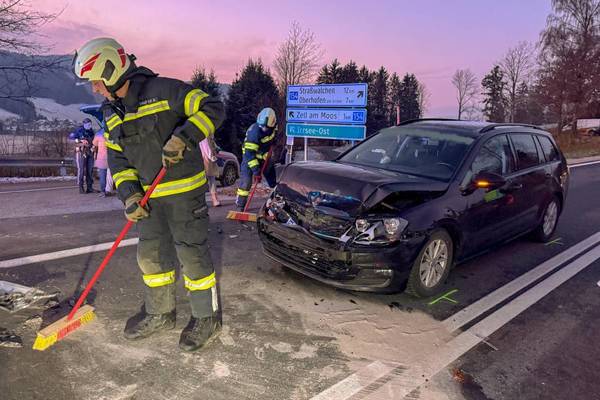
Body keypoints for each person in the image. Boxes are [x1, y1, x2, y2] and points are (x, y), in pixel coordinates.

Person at [73, 37, 225, 352]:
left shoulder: (166, 91)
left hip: (184, 194)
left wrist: (185, 137)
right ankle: (160, 313)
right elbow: (118, 159)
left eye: (96, 81)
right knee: (151, 257)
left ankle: (207, 318)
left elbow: (213, 107)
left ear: (112, 71)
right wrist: (130, 196)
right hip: (148, 199)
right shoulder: (111, 112)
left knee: (192, 256)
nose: (95, 89)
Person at [235, 108, 278, 211]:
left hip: (264, 157)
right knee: (246, 182)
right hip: (249, 158)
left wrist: (273, 145)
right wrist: (256, 171)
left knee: (273, 180)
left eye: (266, 127)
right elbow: (249, 154)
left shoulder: (274, 126)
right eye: (261, 126)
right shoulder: (254, 132)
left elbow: (271, 138)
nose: (263, 128)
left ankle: (275, 199)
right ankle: (240, 205)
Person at [69, 118, 95, 193]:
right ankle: (81, 187)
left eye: (90, 124)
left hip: (90, 152)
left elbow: (93, 140)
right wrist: (80, 141)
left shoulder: (91, 131)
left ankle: (89, 187)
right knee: (81, 170)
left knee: (90, 170)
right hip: (81, 152)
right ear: (84, 124)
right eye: (88, 124)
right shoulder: (78, 130)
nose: (89, 125)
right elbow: (71, 139)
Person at [92, 129, 114, 197]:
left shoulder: (99, 134)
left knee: (102, 175)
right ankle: (108, 191)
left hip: (101, 158)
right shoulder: (112, 132)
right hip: (111, 157)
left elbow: (94, 143)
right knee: (110, 176)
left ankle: (103, 191)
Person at [200, 136, 221, 207]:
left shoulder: (205, 134)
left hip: (203, 159)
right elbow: (206, 146)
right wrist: (212, 157)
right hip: (206, 159)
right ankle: (214, 199)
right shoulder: (204, 135)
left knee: (207, 180)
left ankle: (206, 201)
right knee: (211, 179)